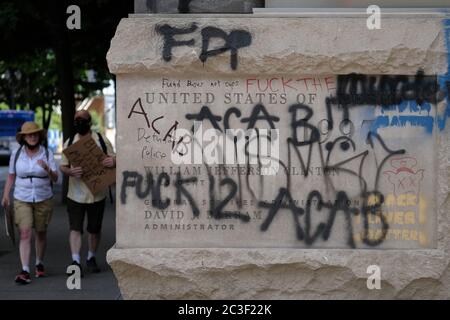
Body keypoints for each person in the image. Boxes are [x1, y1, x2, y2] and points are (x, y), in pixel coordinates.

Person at [1, 122, 58, 284]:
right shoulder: (17, 153)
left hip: (44, 197)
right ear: (24, 137)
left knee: (40, 232)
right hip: (22, 197)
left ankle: (39, 263)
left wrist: (47, 169)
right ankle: (25, 269)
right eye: (29, 135)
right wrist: (6, 195)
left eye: (35, 134)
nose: (32, 137)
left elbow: (56, 178)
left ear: (39, 136)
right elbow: (11, 175)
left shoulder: (47, 153)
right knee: (25, 233)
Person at [60, 110, 115, 275]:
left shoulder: (101, 140)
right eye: (76, 119)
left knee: (94, 229)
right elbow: (63, 166)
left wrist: (112, 160)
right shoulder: (69, 142)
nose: (79, 122)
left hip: (97, 194)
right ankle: (75, 260)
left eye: (82, 120)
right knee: (75, 228)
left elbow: (114, 158)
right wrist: (70, 172)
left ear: (89, 122)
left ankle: (91, 257)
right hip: (75, 194)